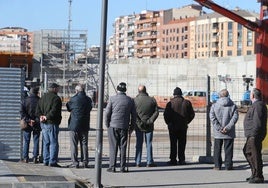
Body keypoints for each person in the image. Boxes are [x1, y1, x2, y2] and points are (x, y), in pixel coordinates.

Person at [105, 82, 136, 173]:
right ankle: (122, 167)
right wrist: (132, 127)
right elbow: (134, 115)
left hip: (113, 126)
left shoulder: (112, 99)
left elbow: (107, 113)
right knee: (123, 147)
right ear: (125, 90)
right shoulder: (130, 100)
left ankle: (112, 167)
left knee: (113, 146)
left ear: (117, 90)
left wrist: (107, 124)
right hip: (124, 126)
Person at [164, 87, 195, 165]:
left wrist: (169, 123)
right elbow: (192, 114)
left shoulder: (170, 103)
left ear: (174, 94)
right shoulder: (187, 102)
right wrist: (187, 121)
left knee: (173, 143)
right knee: (182, 143)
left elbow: (166, 115)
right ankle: (182, 159)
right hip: (183, 126)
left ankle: (173, 159)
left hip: (172, 127)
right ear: (181, 94)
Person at [209, 89, 238, 170]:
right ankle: (228, 166)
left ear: (219, 95)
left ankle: (217, 165)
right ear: (228, 95)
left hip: (218, 132)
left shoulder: (214, 105)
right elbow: (235, 118)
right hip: (229, 132)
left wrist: (219, 128)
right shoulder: (233, 105)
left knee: (217, 149)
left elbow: (212, 117)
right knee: (228, 149)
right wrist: (227, 127)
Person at [243, 88, 267, 183]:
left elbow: (257, 122)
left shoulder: (258, 106)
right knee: (248, 152)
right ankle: (254, 173)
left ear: (253, 96)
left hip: (254, 135)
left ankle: (258, 176)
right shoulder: (257, 105)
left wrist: (253, 133)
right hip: (252, 134)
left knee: (255, 154)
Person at [36, 83, 62, 167]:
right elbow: (54, 111)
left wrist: (41, 116)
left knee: (46, 142)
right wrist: (46, 117)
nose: (58, 90)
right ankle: (52, 161)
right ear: (54, 89)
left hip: (43, 123)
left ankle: (45, 160)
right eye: (58, 88)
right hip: (52, 122)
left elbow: (37, 110)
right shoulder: (56, 98)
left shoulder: (42, 98)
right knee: (53, 142)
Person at [66, 84, 92, 168]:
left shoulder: (73, 99)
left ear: (76, 91)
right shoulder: (88, 100)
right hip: (85, 125)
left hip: (74, 125)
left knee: (74, 144)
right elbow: (90, 108)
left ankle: (75, 162)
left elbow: (68, 107)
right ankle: (85, 162)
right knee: (84, 144)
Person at [134, 85, 159, 167]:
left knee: (139, 143)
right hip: (149, 125)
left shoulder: (135, 100)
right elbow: (156, 112)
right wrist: (150, 120)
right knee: (149, 144)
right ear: (145, 90)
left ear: (138, 91)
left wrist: (138, 122)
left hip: (138, 125)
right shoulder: (151, 100)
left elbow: (134, 113)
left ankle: (138, 162)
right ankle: (149, 161)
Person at [20, 87, 41, 163]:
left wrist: (29, 120)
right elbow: (41, 112)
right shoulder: (40, 100)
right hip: (37, 123)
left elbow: (22, 112)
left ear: (30, 92)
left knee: (26, 140)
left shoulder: (25, 100)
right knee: (36, 140)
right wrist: (35, 120)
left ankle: (25, 158)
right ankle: (35, 157)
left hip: (27, 123)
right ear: (37, 92)